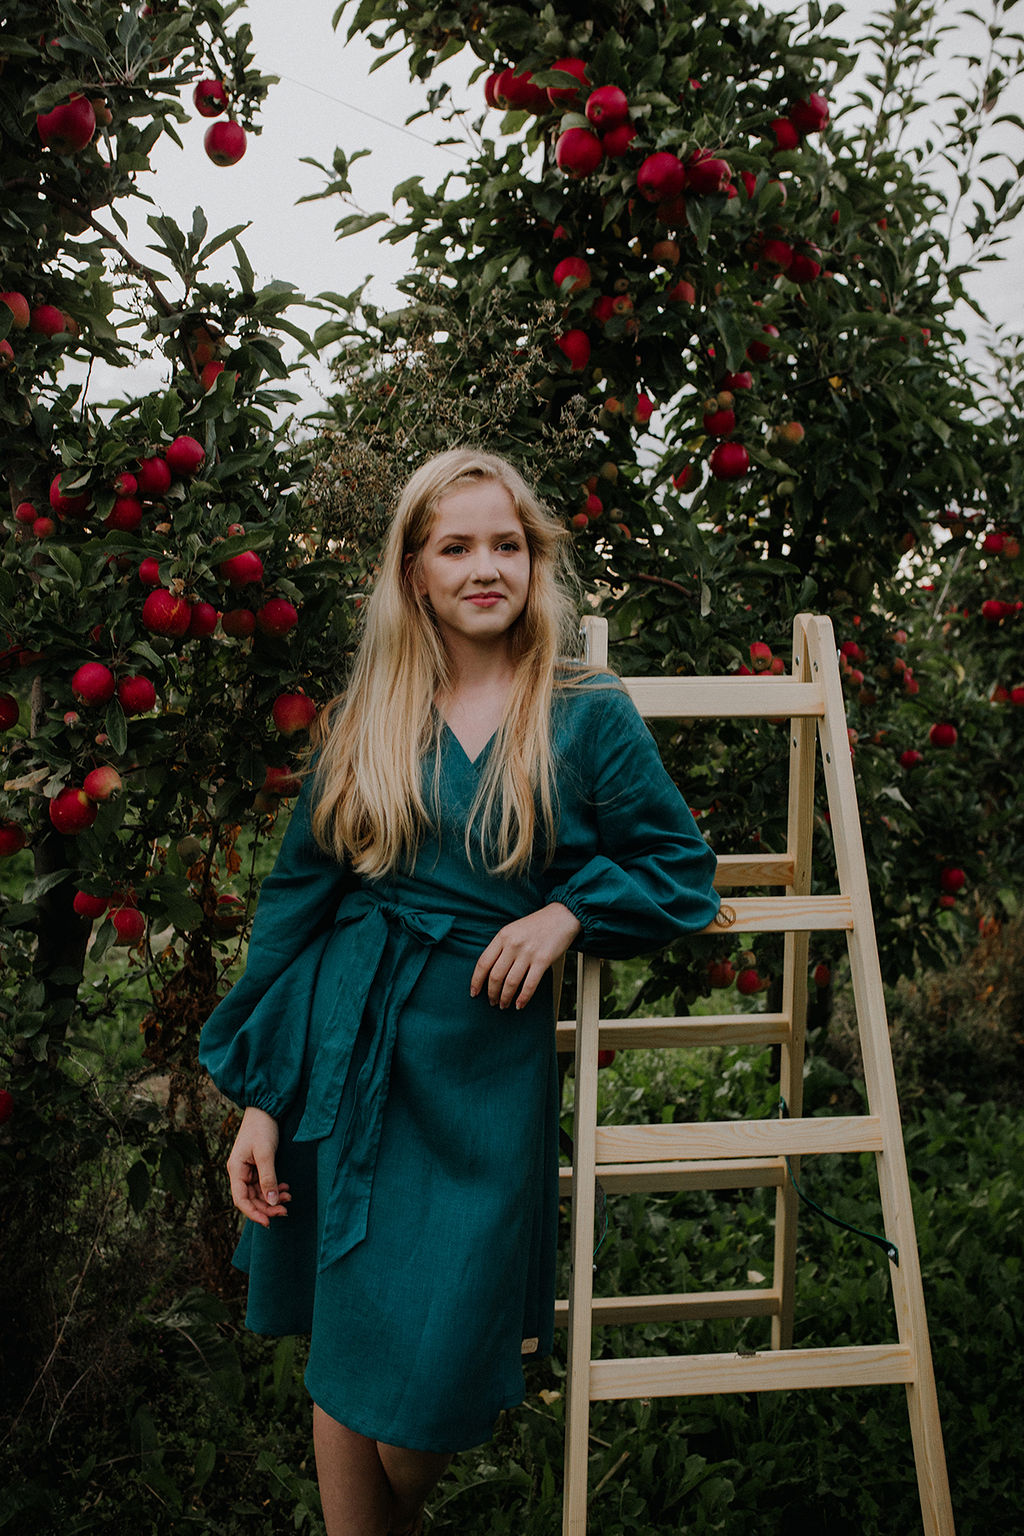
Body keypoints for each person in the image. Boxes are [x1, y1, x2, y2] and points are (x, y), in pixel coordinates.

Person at [199, 447, 720, 1536]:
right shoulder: (372, 714)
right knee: (348, 1342)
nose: (486, 567)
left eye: (506, 544)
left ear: (535, 561)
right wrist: (263, 1098)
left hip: (481, 1076)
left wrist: (569, 913)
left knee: (429, 1386)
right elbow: (298, 909)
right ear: (415, 573)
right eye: (456, 547)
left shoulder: (582, 710)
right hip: (347, 1050)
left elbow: (678, 869)